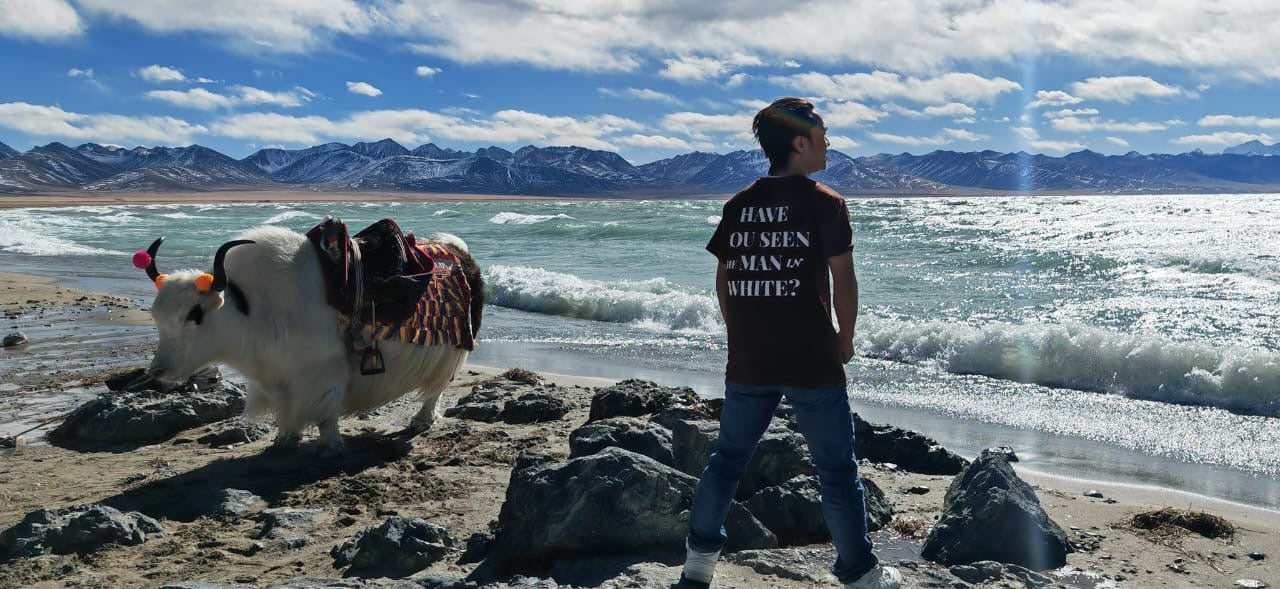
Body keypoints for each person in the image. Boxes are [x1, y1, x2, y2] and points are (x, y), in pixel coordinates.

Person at [682, 97, 901, 589]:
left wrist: (738, 332)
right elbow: (842, 279)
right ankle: (861, 575)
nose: (828, 144)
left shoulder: (738, 204)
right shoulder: (825, 202)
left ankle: (698, 565)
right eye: (823, 136)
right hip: (811, 360)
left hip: (750, 359)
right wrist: (844, 337)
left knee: (727, 462)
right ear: (799, 142)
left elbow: (724, 279)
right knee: (837, 471)